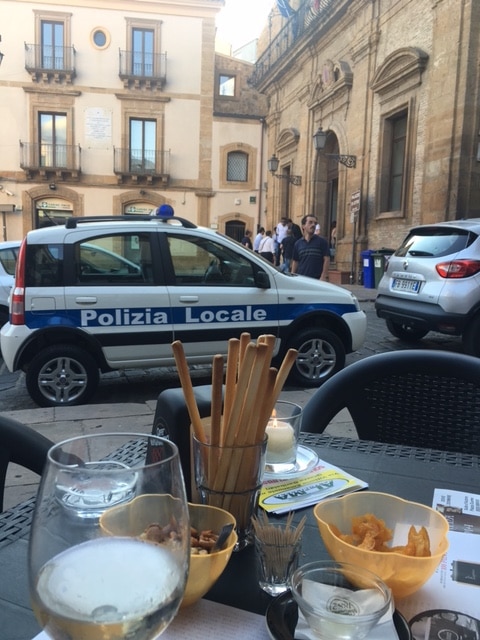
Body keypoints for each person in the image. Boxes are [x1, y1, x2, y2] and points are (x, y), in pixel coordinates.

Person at [291, 215, 330, 280]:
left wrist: (323, 276)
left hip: (317, 280)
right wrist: (292, 276)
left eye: (315, 223)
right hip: (301, 279)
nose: (313, 225)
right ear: (303, 226)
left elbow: (327, 259)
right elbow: (295, 262)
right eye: (310, 222)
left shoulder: (322, 242)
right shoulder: (298, 244)